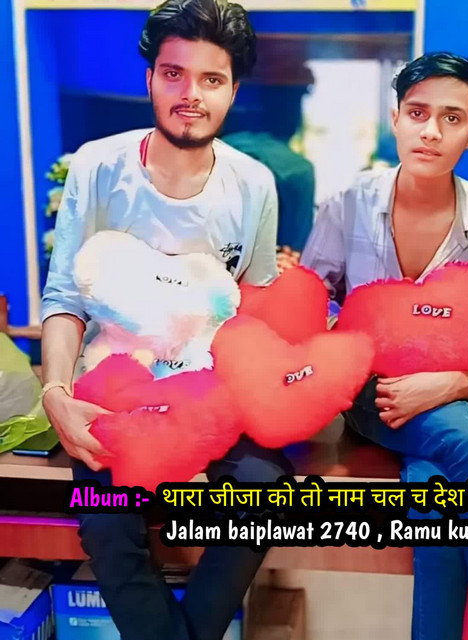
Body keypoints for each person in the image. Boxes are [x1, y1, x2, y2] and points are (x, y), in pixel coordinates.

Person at [40, 2, 292, 639]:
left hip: (213, 391)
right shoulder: (98, 166)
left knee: (265, 492)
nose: (191, 94)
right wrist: (56, 393)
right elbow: (65, 297)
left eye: (212, 79)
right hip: (113, 391)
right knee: (105, 517)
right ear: (150, 78)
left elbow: (254, 306)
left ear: (233, 90)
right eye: (174, 74)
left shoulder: (254, 184)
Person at [301, 52, 468, 640]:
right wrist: (348, 347)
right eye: (417, 113)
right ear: (396, 119)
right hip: (370, 393)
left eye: (450, 118)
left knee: (438, 482)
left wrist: (449, 384)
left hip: (451, 398)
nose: (430, 131)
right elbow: (309, 306)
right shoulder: (347, 204)